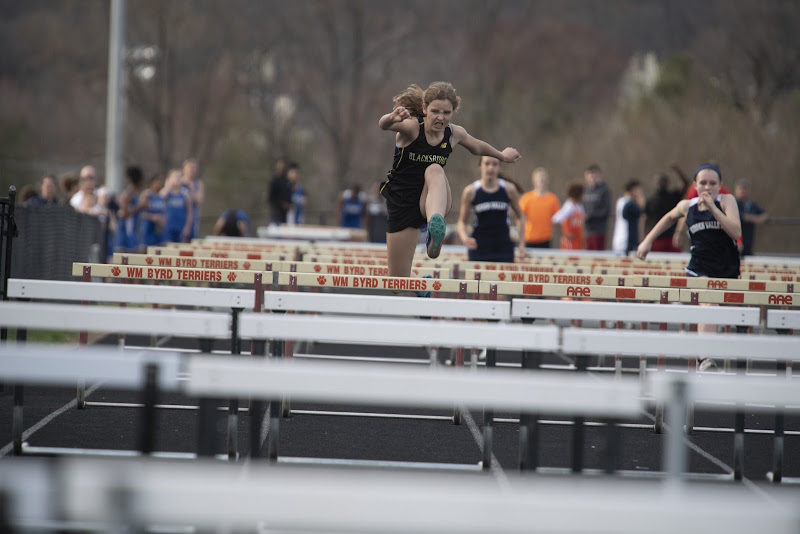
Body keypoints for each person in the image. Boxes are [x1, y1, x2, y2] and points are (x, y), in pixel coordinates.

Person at [378, 81, 521, 277]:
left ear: (453, 112)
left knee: (435, 169)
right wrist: (391, 117)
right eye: (435, 111)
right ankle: (422, 283)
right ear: (424, 109)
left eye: (446, 113)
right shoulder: (412, 128)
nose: (440, 117)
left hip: (433, 198)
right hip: (402, 202)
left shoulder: (454, 133)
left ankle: (434, 227)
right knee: (398, 281)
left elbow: (477, 146)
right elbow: (383, 125)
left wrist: (502, 156)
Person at [637, 163, 741, 371]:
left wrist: (713, 208)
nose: (707, 187)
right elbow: (668, 218)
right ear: (695, 185)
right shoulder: (688, 206)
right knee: (710, 303)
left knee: (723, 312)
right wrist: (647, 240)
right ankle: (705, 358)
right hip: (698, 268)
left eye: (713, 183)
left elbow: (736, 232)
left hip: (726, 269)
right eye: (703, 183)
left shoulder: (726, 201)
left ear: (720, 186)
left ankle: (705, 357)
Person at [456, 155, 526, 263]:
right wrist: (465, 238)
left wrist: (521, 244)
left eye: (494, 164)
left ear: (500, 167)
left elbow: (520, 216)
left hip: (503, 249)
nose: (490, 168)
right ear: (480, 166)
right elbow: (461, 221)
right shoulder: (471, 191)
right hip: (478, 249)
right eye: (487, 163)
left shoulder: (509, 189)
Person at [644, 169, 688, 253]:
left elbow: (685, 183)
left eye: (663, 181)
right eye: (659, 181)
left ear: (667, 183)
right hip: (656, 238)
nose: (660, 183)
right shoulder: (650, 200)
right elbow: (646, 219)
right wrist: (646, 237)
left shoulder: (673, 196)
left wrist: (678, 170)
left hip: (671, 238)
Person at [518, 167, 560, 248]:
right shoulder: (526, 198)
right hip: (529, 238)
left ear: (547, 180)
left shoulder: (553, 199)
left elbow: (557, 220)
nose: (542, 181)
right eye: (539, 179)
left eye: (544, 179)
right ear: (534, 180)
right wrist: (521, 238)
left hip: (546, 239)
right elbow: (520, 218)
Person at [114, 165, 146, 253]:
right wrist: (139, 206)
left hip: (133, 230)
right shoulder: (127, 195)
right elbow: (123, 214)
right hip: (126, 232)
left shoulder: (134, 194)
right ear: (138, 180)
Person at [734, 179, 768, 257]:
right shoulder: (734, 203)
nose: (743, 191)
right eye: (741, 189)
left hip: (748, 239)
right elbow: (741, 216)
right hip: (737, 239)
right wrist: (754, 219)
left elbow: (764, 214)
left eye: (745, 189)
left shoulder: (751, 204)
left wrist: (759, 218)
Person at [611, 179, 645, 255]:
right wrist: (640, 198)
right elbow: (642, 210)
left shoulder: (620, 201)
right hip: (627, 241)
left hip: (618, 240)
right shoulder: (630, 205)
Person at [582, 163, 611, 250]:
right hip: (587, 231)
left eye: (595, 174)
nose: (592, 177)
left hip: (599, 231)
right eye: (590, 174)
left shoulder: (604, 190)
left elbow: (606, 211)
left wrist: (590, 216)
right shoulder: (585, 191)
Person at [162, 168, 194, 243]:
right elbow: (161, 197)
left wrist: (187, 227)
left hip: (181, 227)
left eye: (179, 177)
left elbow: (190, 212)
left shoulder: (185, 193)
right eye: (175, 177)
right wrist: (168, 186)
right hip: (168, 227)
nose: (177, 179)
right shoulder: (167, 192)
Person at [551, 180, 585, 250]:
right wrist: (565, 234)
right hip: (569, 242)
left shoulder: (579, 206)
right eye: (582, 194)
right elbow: (555, 219)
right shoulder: (569, 206)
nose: (583, 196)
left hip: (578, 240)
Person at [138, 174, 167, 248]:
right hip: (147, 227)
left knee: (159, 248)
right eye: (158, 182)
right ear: (152, 183)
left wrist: (163, 219)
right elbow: (140, 212)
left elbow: (164, 211)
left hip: (158, 229)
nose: (159, 184)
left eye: (161, 182)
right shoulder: (146, 194)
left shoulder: (161, 196)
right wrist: (152, 217)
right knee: (145, 249)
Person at [182, 158, 204, 239]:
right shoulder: (178, 182)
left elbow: (199, 200)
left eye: (194, 168)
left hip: (193, 218)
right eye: (190, 167)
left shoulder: (198, 184)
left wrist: (191, 188)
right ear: (184, 168)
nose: (192, 170)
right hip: (180, 217)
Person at [267, 158, 291, 225]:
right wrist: (281, 204)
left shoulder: (287, 181)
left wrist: (289, 204)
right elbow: (271, 197)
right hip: (276, 214)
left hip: (286, 214)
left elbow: (289, 195)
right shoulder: (274, 180)